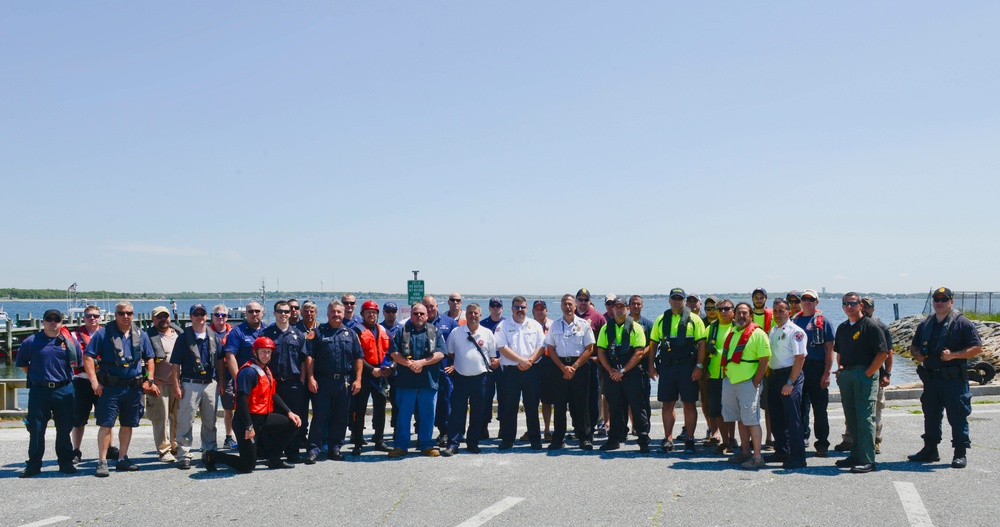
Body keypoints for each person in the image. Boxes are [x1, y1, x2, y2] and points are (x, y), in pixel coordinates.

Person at [909, 287, 982, 469]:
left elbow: (977, 348)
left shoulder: (962, 323)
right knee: (931, 415)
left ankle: (960, 452)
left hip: (954, 380)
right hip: (931, 380)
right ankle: (930, 449)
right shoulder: (926, 324)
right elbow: (914, 346)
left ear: (951, 301)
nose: (939, 303)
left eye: (944, 299)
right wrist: (917, 354)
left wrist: (954, 355)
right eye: (936, 299)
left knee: (957, 417)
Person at [83, 301, 156, 477]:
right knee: (106, 424)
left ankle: (122, 458)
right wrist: (94, 381)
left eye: (129, 313)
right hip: (110, 387)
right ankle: (102, 461)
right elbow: (88, 357)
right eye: (122, 313)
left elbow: (150, 358)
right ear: (115, 315)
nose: (126, 317)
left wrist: (150, 379)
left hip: (133, 387)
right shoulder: (103, 334)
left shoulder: (140, 334)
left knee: (128, 424)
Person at [216, 337, 303, 473]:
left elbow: (273, 394)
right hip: (245, 422)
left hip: (262, 418)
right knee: (247, 467)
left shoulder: (266, 370)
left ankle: (274, 459)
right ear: (255, 352)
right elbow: (241, 400)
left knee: (294, 423)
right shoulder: (248, 372)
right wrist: (249, 427)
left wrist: (289, 412)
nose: (266, 355)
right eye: (263, 352)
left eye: (269, 352)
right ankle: (213, 456)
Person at [17, 309, 80, 477]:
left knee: (64, 428)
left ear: (61, 322)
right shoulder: (31, 341)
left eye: (56, 319)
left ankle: (65, 463)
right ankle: (34, 465)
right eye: (49, 319)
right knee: (36, 429)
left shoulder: (69, 342)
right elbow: (23, 364)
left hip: (64, 389)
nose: (53, 322)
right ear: (43, 321)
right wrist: (39, 376)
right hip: (40, 390)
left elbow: (77, 362)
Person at [833, 292, 889, 474]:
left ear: (860, 306)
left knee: (865, 419)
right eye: (846, 304)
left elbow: (883, 353)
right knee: (852, 417)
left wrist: (869, 373)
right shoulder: (842, 328)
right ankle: (855, 454)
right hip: (847, 375)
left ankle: (867, 459)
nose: (849, 307)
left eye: (853, 303)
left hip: (865, 374)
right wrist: (840, 368)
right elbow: (839, 351)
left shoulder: (871, 326)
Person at [648, 288, 706, 453]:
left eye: (680, 298)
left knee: (689, 404)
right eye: (674, 298)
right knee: (667, 404)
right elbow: (653, 345)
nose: (676, 301)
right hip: (667, 368)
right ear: (669, 300)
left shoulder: (695, 320)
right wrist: (651, 366)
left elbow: (702, 344)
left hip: (688, 368)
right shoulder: (661, 320)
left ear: (684, 301)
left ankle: (689, 439)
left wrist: (699, 366)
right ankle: (668, 438)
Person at [304, 300, 363, 463]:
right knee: (319, 416)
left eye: (339, 312)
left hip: (344, 381)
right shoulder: (317, 332)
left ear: (343, 314)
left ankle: (335, 448)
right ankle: (313, 449)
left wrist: (358, 379)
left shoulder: (350, 333)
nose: (336, 315)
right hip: (322, 380)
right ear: (327, 313)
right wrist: (310, 378)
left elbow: (358, 357)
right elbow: (309, 356)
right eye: (333, 312)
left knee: (340, 416)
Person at [387, 303, 446, 457]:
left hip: (428, 382)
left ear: (427, 315)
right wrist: (409, 364)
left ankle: (426, 445)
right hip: (406, 383)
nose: (418, 316)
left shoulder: (435, 332)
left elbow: (440, 353)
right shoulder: (402, 331)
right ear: (411, 315)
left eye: (421, 313)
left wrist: (422, 363)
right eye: (415, 313)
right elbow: (393, 352)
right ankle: (401, 446)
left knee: (428, 414)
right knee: (403, 415)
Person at [170, 303, 222, 471]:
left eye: (202, 314)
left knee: (210, 422)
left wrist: (220, 382)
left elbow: (220, 362)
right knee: (186, 420)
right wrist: (176, 385)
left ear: (207, 316)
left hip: (210, 384)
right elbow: (175, 364)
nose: (200, 317)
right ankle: (184, 454)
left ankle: (209, 452)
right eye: (196, 314)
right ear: (191, 317)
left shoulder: (214, 336)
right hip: (190, 383)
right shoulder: (183, 337)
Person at [441, 303, 496, 456]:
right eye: (470, 313)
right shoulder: (456, 332)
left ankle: (473, 442)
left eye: (476, 313)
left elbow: (492, 356)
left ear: (480, 314)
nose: (473, 315)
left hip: (481, 379)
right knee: (457, 412)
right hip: (460, 378)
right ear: (466, 315)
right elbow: (450, 353)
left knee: (478, 412)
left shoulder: (487, 333)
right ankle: (453, 444)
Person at [721, 302, 771, 470]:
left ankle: (757, 457)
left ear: (751, 315)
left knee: (752, 420)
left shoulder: (758, 334)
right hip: (732, 381)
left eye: (745, 313)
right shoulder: (733, 332)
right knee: (741, 420)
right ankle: (745, 452)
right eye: (739, 313)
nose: (741, 316)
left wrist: (755, 382)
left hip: (748, 383)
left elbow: (764, 360)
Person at [596, 296, 649, 452]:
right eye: (616, 306)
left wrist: (623, 371)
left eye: (621, 306)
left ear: (627, 308)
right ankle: (614, 439)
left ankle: (644, 440)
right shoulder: (606, 328)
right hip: (612, 374)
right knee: (615, 408)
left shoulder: (635, 327)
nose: (618, 309)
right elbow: (601, 351)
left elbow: (639, 352)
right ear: (612, 309)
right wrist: (610, 370)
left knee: (638, 407)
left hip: (631, 373)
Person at [543, 294, 596, 451]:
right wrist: (563, 367)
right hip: (559, 368)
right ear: (561, 306)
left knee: (581, 405)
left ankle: (584, 438)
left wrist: (574, 366)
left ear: (575, 306)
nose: (567, 307)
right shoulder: (555, 325)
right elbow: (550, 349)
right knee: (559, 405)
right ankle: (558, 439)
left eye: (570, 304)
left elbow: (590, 348)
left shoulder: (584, 324)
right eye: (565, 304)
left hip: (579, 367)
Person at [495, 296, 547, 451]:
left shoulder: (535, 325)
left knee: (532, 406)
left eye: (522, 307)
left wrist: (529, 360)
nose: (520, 310)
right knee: (509, 407)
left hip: (532, 371)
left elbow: (542, 346)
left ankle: (535, 439)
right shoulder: (503, 325)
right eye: (517, 307)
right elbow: (502, 347)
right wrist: (520, 361)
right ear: (512, 309)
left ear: (526, 308)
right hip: (511, 372)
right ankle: (508, 439)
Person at [261, 300, 309, 462]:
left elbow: (303, 360)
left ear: (291, 314)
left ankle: (292, 451)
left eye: (286, 311)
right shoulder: (266, 334)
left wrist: (302, 379)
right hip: (273, 384)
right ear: (274, 313)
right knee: (273, 419)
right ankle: (273, 452)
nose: (283, 314)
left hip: (293, 383)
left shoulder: (298, 335)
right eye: (280, 311)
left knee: (295, 418)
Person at [764, 298, 807, 469]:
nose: (778, 314)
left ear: (789, 312)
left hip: (790, 375)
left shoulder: (795, 331)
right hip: (774, 376)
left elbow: (800, 358)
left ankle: (798, 457)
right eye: (775, 311)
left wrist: (790, 382)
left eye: (782, 310)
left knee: (792, 418)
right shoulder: (773, 330)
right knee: (776, 416)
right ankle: (782, 450)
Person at [72, 305, 118, 465]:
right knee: (78, 419)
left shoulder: (107, 334)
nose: (92, 318)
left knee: (107, 418)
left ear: (101, 318)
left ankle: (110, 447)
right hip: (82, 381)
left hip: (104, 382)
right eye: (89, 316)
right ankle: (76, 450)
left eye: (96, 316)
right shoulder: (74, 336)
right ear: (83, 318)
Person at [792, 289, 834, 457]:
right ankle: (801, 439)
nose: (807, 301)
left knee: (820, 409)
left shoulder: (824, 322)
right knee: (800, 408)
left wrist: (827, 373)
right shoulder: (794, 320)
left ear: (817, 302)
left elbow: (830, 350)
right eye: (804, 299)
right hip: (799, 368)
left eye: (811, 299)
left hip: (817, 368)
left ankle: (822, 443)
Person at [350, 300, 392, 455]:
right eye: (368, 312)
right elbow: (356, 355)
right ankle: (358, 442)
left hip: (381, 375)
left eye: (374, 312)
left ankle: (379, 440)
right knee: (360, 409)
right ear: (362, 314)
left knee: (380, 408)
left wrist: (389, 368)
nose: (371, 314)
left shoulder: (383, 330)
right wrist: (371, 370)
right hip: (365, 374)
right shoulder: (357, 331)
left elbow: (391, 352)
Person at [224, 301, 267, 449]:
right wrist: (238, 379)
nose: (254, 314)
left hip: (263, 382)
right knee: (244, 411)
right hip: (246, 380)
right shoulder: (237, 332)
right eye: (250, 311)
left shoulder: (267, 330)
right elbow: (230, 356)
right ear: (245, 314)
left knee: (263, 412)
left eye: (257, 311)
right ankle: (245, 444)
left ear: (262, 312)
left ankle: (261, 445)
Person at [145, 306, 181, 463]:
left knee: (178, 418)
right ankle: (163, 450)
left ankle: (176, 446)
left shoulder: (179, 334)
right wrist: (149, 381)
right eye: (159, 317)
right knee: (161, 418)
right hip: (159, 384)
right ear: (153, 319)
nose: (163, 319)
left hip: (178, 383)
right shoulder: (147, 337)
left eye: (165, 316)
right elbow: (143, 362)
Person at [423, 295, 459, 447]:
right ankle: (424, 434)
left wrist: (455, 365)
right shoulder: (418, 323)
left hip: (445, 371)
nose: (430, 309)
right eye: (427, 307)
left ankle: (445, 432)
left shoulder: (450, 323)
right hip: (424, 372)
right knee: (426, 404)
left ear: (437, 306)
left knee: (445, 403)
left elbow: (460, 346)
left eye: (432, 306)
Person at [704, 299, 736, 454]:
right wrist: (703, 369)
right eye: (720, 309)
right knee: (718, 411)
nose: (723, 312)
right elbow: (702, 350)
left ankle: (732, 438)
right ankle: (725, 441)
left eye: (726, 309)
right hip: (714, 375)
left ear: (733, 311)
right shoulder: (711, 328)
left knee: (732, 410)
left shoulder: (738, 327)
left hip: (733, 375)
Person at [574, 289, 606, 438]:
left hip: (591, 364)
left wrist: (599, 359)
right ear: (576, 301)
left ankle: (591, 428)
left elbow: (604, 342)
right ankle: (577, 428)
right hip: (573, 364)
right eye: (580, 299)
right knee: (574, 399)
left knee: (592, 398)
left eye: (586, 300)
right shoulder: (570, 315)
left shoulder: (598, 317)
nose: (582, 303)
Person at [210, 305, 237, 450]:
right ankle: (208, 440)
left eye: (223, 315)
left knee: (229, 409)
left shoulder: (232, 333)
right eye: (217, 315)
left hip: (227, 375)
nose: (220, 318)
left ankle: (228, 437)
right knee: (209, 410)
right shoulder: (206, 332)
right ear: (212, 316)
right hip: (210, 376)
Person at [750, 287, 774, 451]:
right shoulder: (746, 315)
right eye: (756, 297)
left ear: (766, 299)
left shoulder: (772, 315)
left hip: (768, 366)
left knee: (769, 406)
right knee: (751, 405)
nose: (759, 300)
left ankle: (769, 439)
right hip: (750, 365)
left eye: (761, 297)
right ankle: (753, 437)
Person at [480, 297, 505, 438]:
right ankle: (484, 427)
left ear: (502, 307)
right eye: (493, 305)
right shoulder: (482, 324)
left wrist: (500, 360)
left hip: (504, 365)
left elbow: (513, 346)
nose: (496, 308)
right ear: (489, 308)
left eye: (498, 305)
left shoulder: (508, 323)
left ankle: (503, 426)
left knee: (504, 397)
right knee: (485, 397)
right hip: (486, 366)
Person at [532, 299, 557, 441]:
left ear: (546, 311)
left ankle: (548, 430)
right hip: (534, 365)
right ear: (533, 311)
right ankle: (533, 430)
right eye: (537, 309)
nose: (539, 311)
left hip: (549, 365)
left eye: (542, 309)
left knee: (547, 401)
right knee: (532, 401)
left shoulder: (553, 325)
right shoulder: (528, 325)